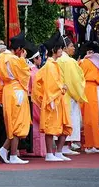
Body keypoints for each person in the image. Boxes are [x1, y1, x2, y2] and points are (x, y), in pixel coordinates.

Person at [0, 32, 31, 164]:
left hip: (7, 91)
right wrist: (23, 60)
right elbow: (25, 75)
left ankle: (4, 150)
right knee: (17, 123)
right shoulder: (14, 59)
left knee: (11, 123)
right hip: (16, 91)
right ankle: (13, 155)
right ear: (19, 49)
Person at [33, 31, 72, 162]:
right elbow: (50, 84)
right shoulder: (49, 65)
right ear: (54, 50)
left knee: (65, 125)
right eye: (60, 48)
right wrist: (59, 89)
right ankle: (50, 153)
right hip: (52, 99)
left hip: (58, 99)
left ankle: (59, 152)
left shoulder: (54, 64)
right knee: (50, 126)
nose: (62, 50)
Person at [58, 35, 87, 155]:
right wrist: (78, 94)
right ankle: (64, 146)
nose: (73, 48)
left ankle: (62, 146)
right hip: (69, 95)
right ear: (64, 48)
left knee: (62, 120)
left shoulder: (58, 60)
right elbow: (75, 81)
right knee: (69, 120)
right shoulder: (69, 61)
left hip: (60, 94)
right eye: (71, 46)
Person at [25, 41, 46, 157]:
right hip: (35, 100)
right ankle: (38, 150)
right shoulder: (36, 73)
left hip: (25, 100)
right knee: (38, 126)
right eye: (39, 57)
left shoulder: (24, 70)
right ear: (35, 59)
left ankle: (24, 149)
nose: (40, 59)